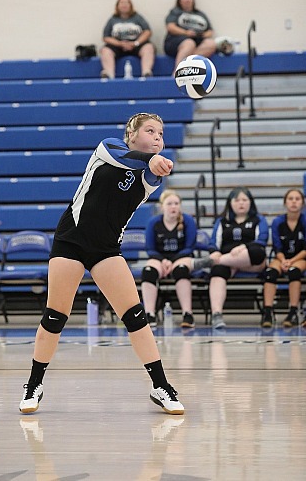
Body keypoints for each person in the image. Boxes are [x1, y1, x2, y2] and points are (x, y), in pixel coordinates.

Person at [19, 113, 184, 416]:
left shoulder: (151, 175)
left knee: (135, 317)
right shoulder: (107, 148)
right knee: (56, 315)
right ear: (131, 134)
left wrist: (155, 164)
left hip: (106, 249)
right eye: (150, 131)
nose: (158, 138)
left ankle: (161, 386)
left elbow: (148, 171)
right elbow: (129, 159)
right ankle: (34, 384)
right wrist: (150, 160)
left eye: (162, 134)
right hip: (71, 239)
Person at [206, 187, 269, 329]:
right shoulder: (222, 221)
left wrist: (243, 247)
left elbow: (262, 240)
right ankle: (216, 314)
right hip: (229, 263)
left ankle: (212, 262)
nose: (241, 203)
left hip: (252, 261)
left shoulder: (258, 220)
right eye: (237, 200)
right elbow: (213, 243)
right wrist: (214, 252)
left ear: (250, 202)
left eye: (244, 200)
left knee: (257, 252)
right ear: (230, 203)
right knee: (217, 272)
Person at [142, 189, 205, 329]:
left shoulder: (188, 221)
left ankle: (187, 314)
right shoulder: (154, 223)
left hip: (182, 256)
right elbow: (150, 249)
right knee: (148, 271)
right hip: (159, 258)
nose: (173, 207)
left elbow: (189, 247)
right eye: (169, 203)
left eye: (176, 203)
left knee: (181, 270)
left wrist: (173, 261)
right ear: (161, 206)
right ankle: (149, 314)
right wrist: (163, 260)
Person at [261, 189, 306, 328]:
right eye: (290, 199)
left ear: (303, 203)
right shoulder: (278, 222)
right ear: (285, 202)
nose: (294, 202)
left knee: (293, 272)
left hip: (300, 257)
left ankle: (293, 312)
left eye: (297, 199)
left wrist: (290, 261)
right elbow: (277, 247)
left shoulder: (304, 221)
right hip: (281, 257)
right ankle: (267, 312)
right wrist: (283, 260)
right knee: (270, 273)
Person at [100, 0, 155, 79]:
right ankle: (109, 74)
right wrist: (120, 44)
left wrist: (135, 43)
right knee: (105, 50)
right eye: (122, 3)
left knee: (149, 47)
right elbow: (106, 37)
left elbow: (147, 32)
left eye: (127, 2)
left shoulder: (138, 18)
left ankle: (146, 73)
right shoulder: (113, 19)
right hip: (118, 46)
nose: (124, 5)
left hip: (136, 45)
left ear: (131, 5)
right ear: (117, 6)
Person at [164, 0, 216, 71]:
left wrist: (203, 35)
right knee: (189, 43)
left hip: (197, 39)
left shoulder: (200, 14)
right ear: (179, 0)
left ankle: (189, 63)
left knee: (211, 43)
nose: (187, 0)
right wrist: (185, 32)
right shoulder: (175, 12)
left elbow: (210, 31)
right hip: (177, 40)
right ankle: (178, 71)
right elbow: (170, 27)